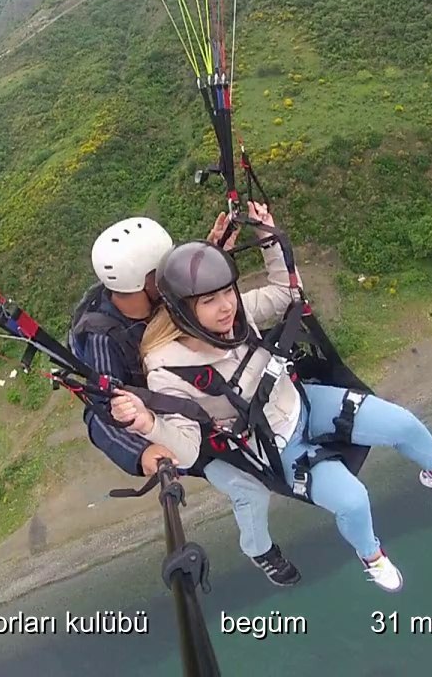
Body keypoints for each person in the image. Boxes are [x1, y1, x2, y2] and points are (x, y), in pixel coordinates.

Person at [109, 202, 432, 593]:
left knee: (402, 423)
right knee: (353, 500)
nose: (227, 306)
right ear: (183, 310)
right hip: (272, 448)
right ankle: (372, 556)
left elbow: (287, 294)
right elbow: (187, 450)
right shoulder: (168, 368)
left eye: (227, 293)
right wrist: (147, 423)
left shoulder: (237, 316)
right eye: (209, 301)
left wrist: (268, 237)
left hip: (301, 403)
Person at [69, 212, 302, 586]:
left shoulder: (156, 298)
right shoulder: (101, 338)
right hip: (174, 425)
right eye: (163, 272)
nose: (170, 277)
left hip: (210, 394)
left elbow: (195, 304)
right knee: (249, 491)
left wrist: (209, 255)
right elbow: (99, 414)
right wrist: (140, 453)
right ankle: (260, 550)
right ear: (146, 282)